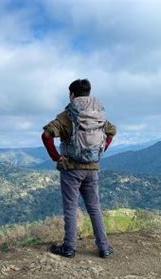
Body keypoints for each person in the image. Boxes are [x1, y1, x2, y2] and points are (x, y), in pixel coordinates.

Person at [41, 78, 116, 258]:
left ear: (72, 95)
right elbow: (111, 131)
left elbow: (46, 135)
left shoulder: (68, 116)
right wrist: (100, 150)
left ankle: (69, 247)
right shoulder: (98, 114)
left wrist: (57, 158)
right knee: (94, 208)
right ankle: (104, 247)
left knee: (70, 208)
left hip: (71, 169)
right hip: (92, 168)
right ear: (88, 93)